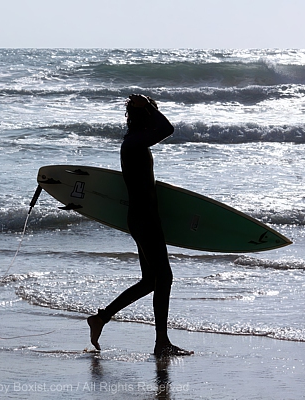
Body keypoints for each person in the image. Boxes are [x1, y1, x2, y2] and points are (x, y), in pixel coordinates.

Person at [87, 94, 193, 357]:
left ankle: (101, 318)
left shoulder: (133, 142)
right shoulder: (134, 143)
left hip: (144, 217)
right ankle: (161, 343)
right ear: (145, 117)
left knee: (150, 281)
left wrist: (145, 108)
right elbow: (167, 128)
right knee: (164, 278)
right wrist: (146, 105)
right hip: (144, 219)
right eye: (151, 113)